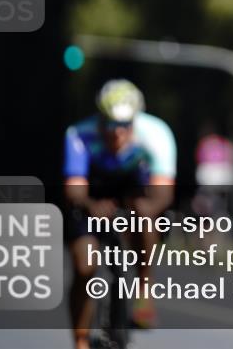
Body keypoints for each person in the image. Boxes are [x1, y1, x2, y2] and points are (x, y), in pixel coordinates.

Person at [63, 79, 177, 349]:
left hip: (135, 195)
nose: (117, 132)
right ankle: (80, 340)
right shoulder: (79, 134)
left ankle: (144, 288)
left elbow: (163, 194)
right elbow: (74, 190)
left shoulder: (156, 133)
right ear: (100, 118)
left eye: (125, 125)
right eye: (110, 124)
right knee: (85, 265)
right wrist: (91, 206)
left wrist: (143, 212)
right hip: (91, 198)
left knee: (146, 215)